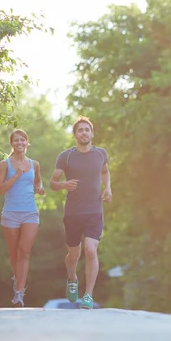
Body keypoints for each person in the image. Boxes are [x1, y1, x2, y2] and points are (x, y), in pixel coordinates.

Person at [50, 116, 112, 309]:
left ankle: (88, 295)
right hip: (73, 213)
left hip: (94, 211)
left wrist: (108, 188)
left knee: (91, 250)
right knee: (73, 256)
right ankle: (72, 277)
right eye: (80, 130)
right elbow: (52, 183)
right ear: (75, 134)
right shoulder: (66, 156)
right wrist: (64, 185)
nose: (84, 132)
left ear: (92, 133)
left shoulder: (101, 154)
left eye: (87, 129)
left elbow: (104, 172)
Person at [0, 129, 45, 307]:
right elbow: (0, 190)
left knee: (24, 251)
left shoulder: (35, 164)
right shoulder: (4, 164)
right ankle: (17, 279)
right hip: (10, 213)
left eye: (22, 140)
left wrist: (39, 188)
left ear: (27, 142)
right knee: (14, 253)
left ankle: (19, 293)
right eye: (16, 140)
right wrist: (17, 174)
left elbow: (38, 181)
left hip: (30, 212)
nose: (19, 143)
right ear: (12, 144)